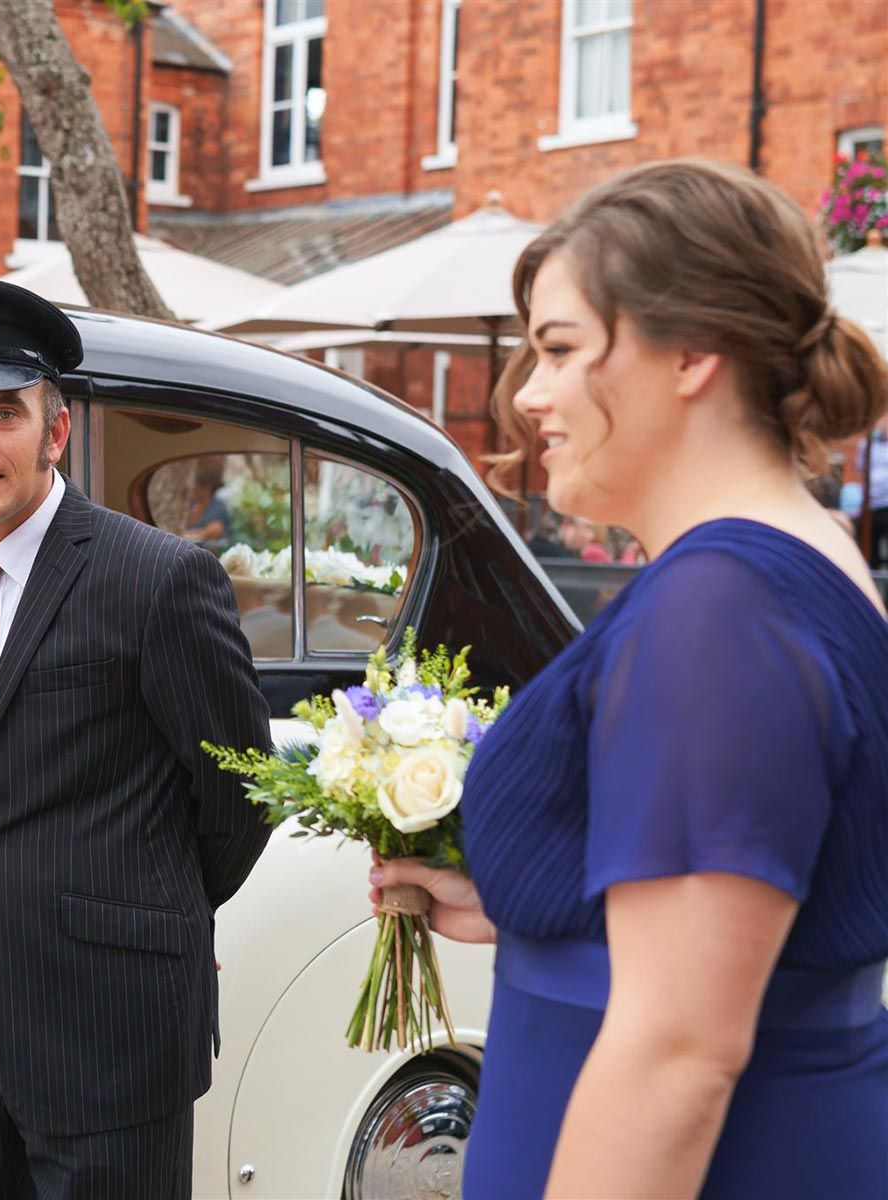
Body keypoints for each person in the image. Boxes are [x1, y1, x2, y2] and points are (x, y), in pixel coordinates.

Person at [371, 159, 888, 1198]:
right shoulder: (774, 570)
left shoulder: (722, 608)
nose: (527, 396)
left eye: (560, 350)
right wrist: (540, 906)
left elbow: (680, 1050)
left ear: (693, 350)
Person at [0, 275, 273, 1198]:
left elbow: (238, 791)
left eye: (2, 414)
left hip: (111, 1033)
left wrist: (146, 916)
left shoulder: (159, 579)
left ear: (55, 431)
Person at [860, 416, 888, 566]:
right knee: (870, 545)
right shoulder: (867, 445)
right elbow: (862, 468)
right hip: (872, 504)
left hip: (886, 503)